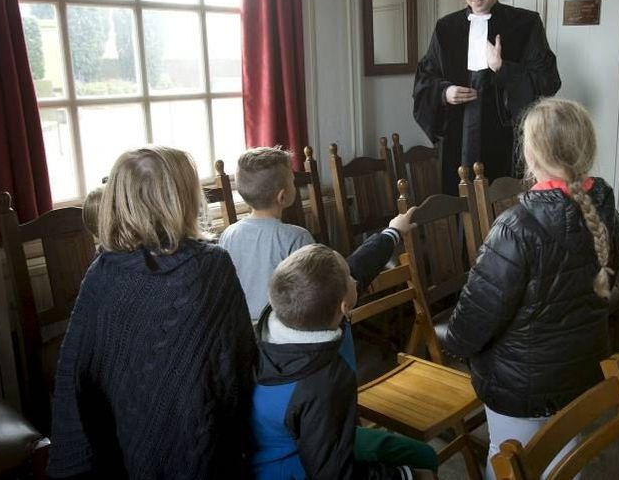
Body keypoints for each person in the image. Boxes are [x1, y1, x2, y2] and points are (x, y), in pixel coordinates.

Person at [48, 146, 257, 479]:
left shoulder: (102, 272)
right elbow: (242, 362)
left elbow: (234, 357)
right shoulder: (209, 266)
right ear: (184, 199)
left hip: (169, 436)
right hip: (176, 434)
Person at [443, 98, 619, 479]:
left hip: (521, 385)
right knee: (565, 458)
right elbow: (606, 285)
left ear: (531, 152)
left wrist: (455, 346)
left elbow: (474, 318)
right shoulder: (604, 208)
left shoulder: (515, 228)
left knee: (509, 461)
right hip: (580, 372)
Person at [250, 218, 439, 480]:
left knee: (424, 455)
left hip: (304, 439)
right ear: (345, 306)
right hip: (294, 468)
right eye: (350, 279)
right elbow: (334, 474)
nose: (354, 278)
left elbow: (360, 265)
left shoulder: (283, 318)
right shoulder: (322, 382)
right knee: (423, 467)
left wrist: (393, 232)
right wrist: (405, 476)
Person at [412, 0, 561, 195]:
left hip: (505, 140)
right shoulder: (446, 28)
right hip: (457, 141)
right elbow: (425, 79)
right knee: (459, 206)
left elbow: (547, 80)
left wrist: (504, 68)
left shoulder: (526, 24)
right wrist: (444, 92)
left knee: (502, 208)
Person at [218, 146, 315, 322]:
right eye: (292, 181)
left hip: (242, 326)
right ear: (282, 196)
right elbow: (312, 291)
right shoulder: (297, 237)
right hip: (281, 328)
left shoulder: (228, 233)